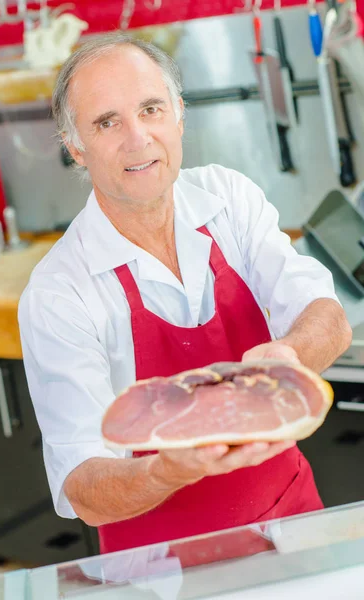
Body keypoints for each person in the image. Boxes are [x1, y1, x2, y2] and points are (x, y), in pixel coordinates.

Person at [18, 33, 352, 554]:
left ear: (178, 114)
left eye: (151, 109)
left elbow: (326, 316)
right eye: (107, 122)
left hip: (293, 527)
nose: (138, 139)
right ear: (75, 146)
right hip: (160, 567)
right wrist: (168, 470)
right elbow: (82, 487)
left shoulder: (229, 198)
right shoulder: (59, 292)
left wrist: (288, 356)